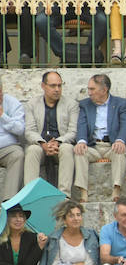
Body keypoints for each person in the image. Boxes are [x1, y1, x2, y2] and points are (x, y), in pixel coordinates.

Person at [23, 71, 83, 199]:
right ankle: (30, 195)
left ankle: (64, 195)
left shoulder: (71, 104)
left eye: (60, 86)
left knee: (67, 148)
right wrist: (42, 143)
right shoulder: (32, 104)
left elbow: (73, 131)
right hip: (40, 145)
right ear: (43, 86)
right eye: (53, 86)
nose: (57, 89)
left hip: (59, 146)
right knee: (32, 149)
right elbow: (29, 131)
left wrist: (58, 142)